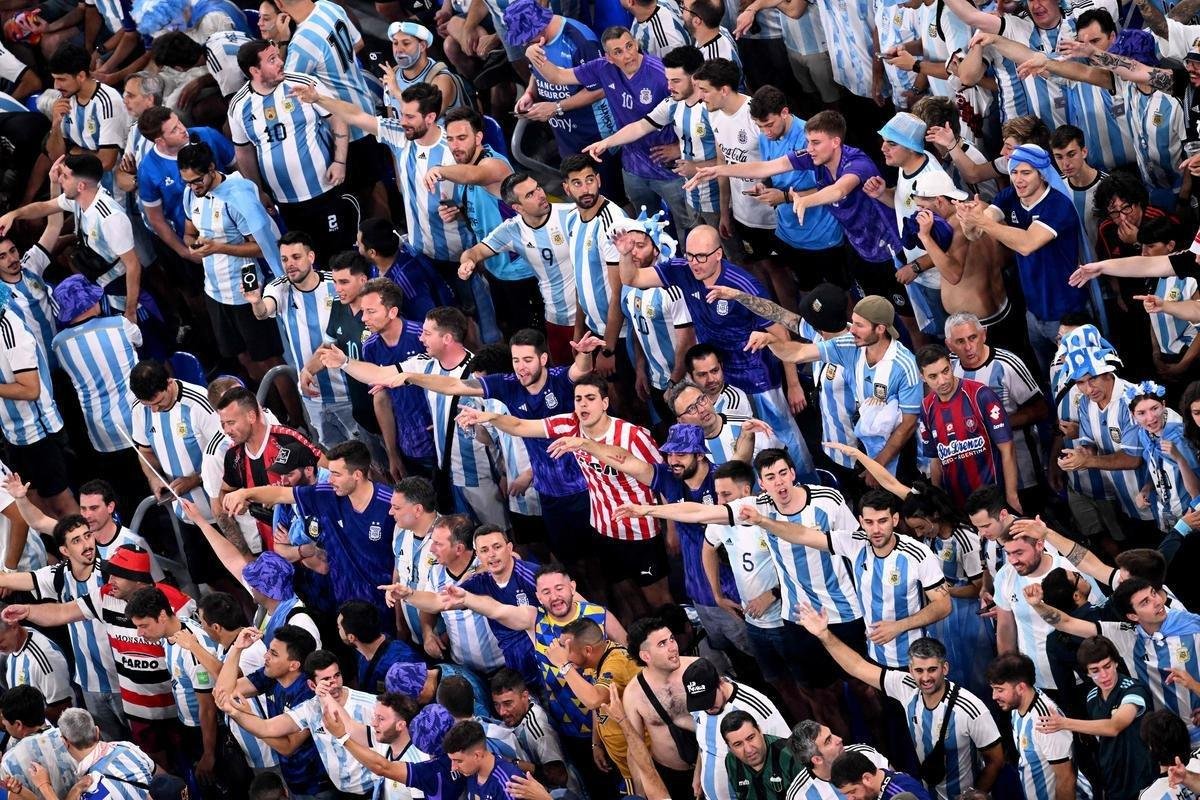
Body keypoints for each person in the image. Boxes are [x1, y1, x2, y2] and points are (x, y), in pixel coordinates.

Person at [620, 447, 858, 733]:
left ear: (793, 473)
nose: (779, 482)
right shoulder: (758, 508)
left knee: (863, 689)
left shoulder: (826, 500)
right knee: (818, 694)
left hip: (844, 610)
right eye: (770, 477)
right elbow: (699, 512)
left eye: (783, 473)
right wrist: (648, 510)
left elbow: (857, 548)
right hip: (798, 620)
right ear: (762, 483)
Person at [455, 374, 670, 618]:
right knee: (626, 594)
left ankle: (681, 646)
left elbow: (663, 480)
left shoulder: (633, 435)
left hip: (641, 530)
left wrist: (671, 529)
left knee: (659, 600)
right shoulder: (568, 424)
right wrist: (490, 417)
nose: (583, 405)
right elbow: (520, 425)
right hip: (603, 528)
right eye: (578, 399)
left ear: (605, 403)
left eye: (590, 398)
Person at [617, 223, 813, 476]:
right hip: (716, 376)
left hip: (757, 375)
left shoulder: (742, 284)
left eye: (701, 257)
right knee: (733, 441)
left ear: (718, 254)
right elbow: (632, 278)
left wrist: (793, 383)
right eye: (689, 256)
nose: (694, 263)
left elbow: (780, 334)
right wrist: (624, 255)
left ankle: (807, 481)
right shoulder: (682, 271)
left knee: (781, 437)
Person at [1, 545, 196, 765]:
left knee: (192, 762)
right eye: (110, 572)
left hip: (178, 706)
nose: (109, 579)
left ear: (139, 581)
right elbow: (63, 612)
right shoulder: (105, 597)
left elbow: (198, 648)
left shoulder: (177, 603)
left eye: (118, 575)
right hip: (138, 710)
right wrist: (28, 611)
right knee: (157, 768)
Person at [795, 605, 1005, 800]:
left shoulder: (970, 707)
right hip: (928, 789)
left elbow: (996, 759)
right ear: (911, 669)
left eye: (932, 669)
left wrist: (976, 794)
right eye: (919, 670)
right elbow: (858, 666)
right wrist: (824, 635)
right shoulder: (906, 686)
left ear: (945, 669)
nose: (925, 678)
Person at [526, 27, 694, 235]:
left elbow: (694, 106)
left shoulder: (660, 73)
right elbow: (557, 76)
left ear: (636, 43)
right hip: (633, 168)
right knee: (647, 225)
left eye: (629, 46)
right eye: (618, 52)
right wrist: (533, 53)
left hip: (669, 169)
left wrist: (680, 147)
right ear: (609, 57)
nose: (628, 55)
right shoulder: (602, 68)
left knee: (686, 226)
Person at [223, 440, 397, 620]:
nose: (330, 479)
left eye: (336, 474)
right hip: (346, 603)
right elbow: (280, 494)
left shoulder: (390, 504)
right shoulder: (326, 494)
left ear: (357, 475)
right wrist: (244, 493)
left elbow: (403, 558)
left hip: (384, 604)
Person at [752, 294, 922, 477]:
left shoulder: (904, 365)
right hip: (860, 451)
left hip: (897, 455)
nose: (852, 330)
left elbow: (908, 424)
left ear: (880, 329)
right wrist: (771, 341)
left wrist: (877, 466)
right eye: (853, 322)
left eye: (859, 325)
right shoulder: (850, 345)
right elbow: (797, 353)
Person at [955, 145, 1089, 372]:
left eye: (1026, 173)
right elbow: (975, 234)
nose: (1018, 179)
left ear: (1042, 173)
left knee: (1078, 374)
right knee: (1049, 375)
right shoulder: (1010, 196)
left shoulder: (1058, 205)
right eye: (1014, 172)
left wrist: (982, 222)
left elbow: (1027, 244)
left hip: (1065, 312)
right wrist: (968, 220)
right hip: (1033, 310)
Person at [1026, 577, 1200, 743]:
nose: (1157, 602)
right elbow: (1067, 623)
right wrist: (1038, 605)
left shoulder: (1191, 626)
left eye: (1153, 593)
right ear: (1133, 616)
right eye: (1145, 602)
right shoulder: (1127, 636)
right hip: (1166, 738)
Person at [228, 41, 358, 260]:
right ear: (254, 70)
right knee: (308, 258)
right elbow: (244, 152)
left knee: (341, 254)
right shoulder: (239, 106)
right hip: (286, 203)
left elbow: (337, 118)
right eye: (272, 60)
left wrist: (340, 162)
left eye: (278, 56)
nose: (281, 62)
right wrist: (258, 191)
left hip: (325, 190)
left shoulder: (303, 84)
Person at [0, 514, 123, 739]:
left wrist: (27, 610)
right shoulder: (58, 575)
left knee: (152, 750)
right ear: (64, 551)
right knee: (107, 748)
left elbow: (62, 613)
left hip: (125, 680)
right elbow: (10, 579)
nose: (87, 544)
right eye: (76, 540)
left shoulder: (111, 575)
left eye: (88, 536)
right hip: (90, 683)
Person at [177, 140, 288, 386]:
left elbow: (263, 248)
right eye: (187, 182)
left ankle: (297, 422)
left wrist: (219, 247)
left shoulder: (238, 197)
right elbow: (188, 233)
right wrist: (192, 244)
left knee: (270, 362)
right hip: (215, 292)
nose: (193, 187)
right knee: (244, 359)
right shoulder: (191, 194)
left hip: (245, 292)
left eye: (197, 180)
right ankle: (267, 411)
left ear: (212, 168)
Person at [214, 625, 334, 798]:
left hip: (317, 786)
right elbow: (223, 691)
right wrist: (237, 648)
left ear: (294, 665)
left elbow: (288, 747)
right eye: (269, 650)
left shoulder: (309, 694)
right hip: (292, 779)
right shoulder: (271, 675)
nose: (266, 656)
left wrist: (247, 717)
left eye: (274, 654)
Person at [125, 586, 221, 785]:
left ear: (161, 616)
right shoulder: (171, 634)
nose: (139, 633)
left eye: (144, 625)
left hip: (206, 733)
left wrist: (209, 753)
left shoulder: (192, 649)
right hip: (188, 726)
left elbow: (208, 708)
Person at [915, 344, 1020, 509]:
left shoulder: (980, 395)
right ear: (923, 377)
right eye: (933, 376)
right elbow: (935, 461)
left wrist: (1012, 496)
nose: (942, 381)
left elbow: (1007, 449)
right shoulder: (926, 407)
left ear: (951, 365)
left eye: (945, 371)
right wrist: (939, 504)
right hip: (957, 507)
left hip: (993, 502)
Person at [49, 275, 141, 458]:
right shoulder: (121, 324)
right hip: (140, 419)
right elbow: (138, 341)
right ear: (90, 301)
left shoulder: (58, 344)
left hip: (101, 431)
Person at [986, 653, 1090, 800]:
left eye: (1000, 690)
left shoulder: (1045, 720)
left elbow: (1066, 779)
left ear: (1021, 687)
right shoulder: (1016, 707)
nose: (994, 696)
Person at [684, 656, 790, 800]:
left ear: (720, 683)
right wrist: (699, 773)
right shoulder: (699, 706)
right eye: (701, 703)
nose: (706, 707)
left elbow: (786, 750)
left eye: (709, 699)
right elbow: (705, 742)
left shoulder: (754, 706)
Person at [619, 617, 699, 799]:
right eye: (662, 644)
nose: (673, 646)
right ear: (645, 656)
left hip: (712, 760)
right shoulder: (634, 694)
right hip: (673, 775)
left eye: (671, 639)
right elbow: (635, 748)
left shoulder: (696, 668)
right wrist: (640, 794)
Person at [56, 707, 157, 800]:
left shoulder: (88, 791)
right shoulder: (128, 747)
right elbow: (159, 778)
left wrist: (74, 791)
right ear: (97, 731)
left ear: (65, 742)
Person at [0, 686, 78, 799]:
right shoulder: (71, 736)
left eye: (5, 723)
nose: (4, 726)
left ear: (18, 724)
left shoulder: (8, 763)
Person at [786, 720, 892, 800]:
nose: (839, 739)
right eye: (828, 741)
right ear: (817, 759)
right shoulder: (800, 796)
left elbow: (896, 784)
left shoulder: (864, 754)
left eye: (832, 734)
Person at [337, 600, 417, 695]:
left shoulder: (403, 662)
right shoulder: (362, 652)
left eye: (339, 627)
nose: (338, 629)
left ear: (351, 637)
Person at [0, 620, 71, 721]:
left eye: (0, 641)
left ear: (14, 627)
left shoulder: (44, 659)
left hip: (48, 732)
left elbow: (62, 710)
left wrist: (16, 718)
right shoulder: (14, 643)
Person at [723, 710, 801, 800]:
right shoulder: (731, 761)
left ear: (759, 730)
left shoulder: (790, 756)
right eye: (738, 744)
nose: (748, 749)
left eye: (751, 738)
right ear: (729, 747)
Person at [444, 719, 527, 799]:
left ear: (477, 755)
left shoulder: (509, 784)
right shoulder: (471, 771)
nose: (453, 767)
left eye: (458, 761)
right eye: (452, 760)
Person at [829, 750, 934, 800]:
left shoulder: (900, 793)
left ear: (867, 778)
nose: (850, 799)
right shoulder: (880, 784)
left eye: (852, 791)